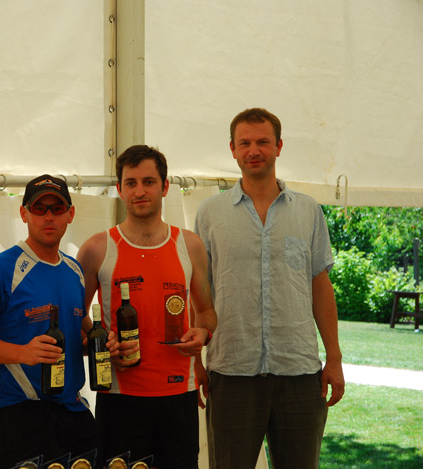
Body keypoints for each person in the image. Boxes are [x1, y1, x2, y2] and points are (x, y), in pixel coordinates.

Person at [194, 108, 346, 469]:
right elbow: (199, 291)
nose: (254, 151)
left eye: (263, 142)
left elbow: (320, 287)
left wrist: (335, 358)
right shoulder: (210, 213)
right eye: (244, 143)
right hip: (231, 370)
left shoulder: (308, 211)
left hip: (299, 371)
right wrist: (195, 362)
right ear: (232, 149)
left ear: (278, 146)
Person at [0, 175, 116, 469]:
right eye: (39, 208)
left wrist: (101, 343)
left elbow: (76, 332)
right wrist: (23, 353)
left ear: (70, 214)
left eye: (57, 208)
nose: (48, 216)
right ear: (24, 213)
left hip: (75, 413)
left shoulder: (74, 270)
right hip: (21, 415)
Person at [76, 145, 218, 469]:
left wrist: (204, 333)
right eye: (131, 183)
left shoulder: (189, 245)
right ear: (119, 189)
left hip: (178, 396)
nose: (139, 191)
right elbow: (76, 315)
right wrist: (103, 345)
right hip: (119, 399)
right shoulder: (97, 248)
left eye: (149, 182)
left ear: (165, 187)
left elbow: (206, 312)